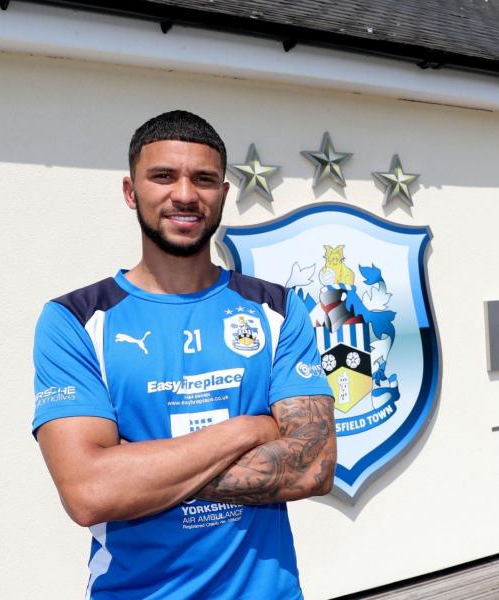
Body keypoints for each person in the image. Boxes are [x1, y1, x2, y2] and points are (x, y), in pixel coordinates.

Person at [32, 110, 336, 599]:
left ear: (223, 194)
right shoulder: (76, 320)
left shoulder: (279, 308)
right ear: (131, 192)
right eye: (163, 176)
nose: (185, 195)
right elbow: (89, 493)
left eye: (204, 179)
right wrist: (249, 429)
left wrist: (133, 470)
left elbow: (314, 464)